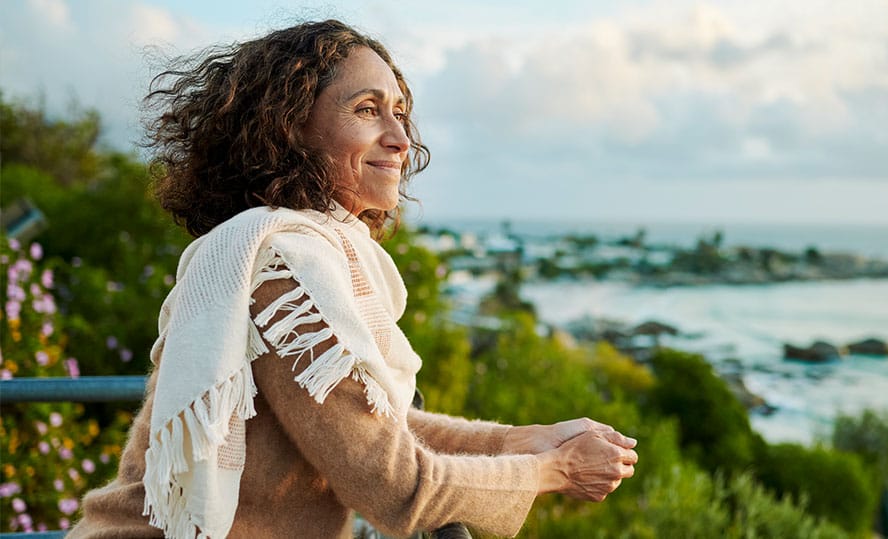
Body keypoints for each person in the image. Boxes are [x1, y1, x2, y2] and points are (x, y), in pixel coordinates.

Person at [68, 19, 637, 539]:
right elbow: (396, 486)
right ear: (289, 128)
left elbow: (365, 427)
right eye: (367, 109)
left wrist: (518, 440)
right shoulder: (282, 273)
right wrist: (552, 469)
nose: (400, 137)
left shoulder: (302, 252)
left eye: (399, 111)